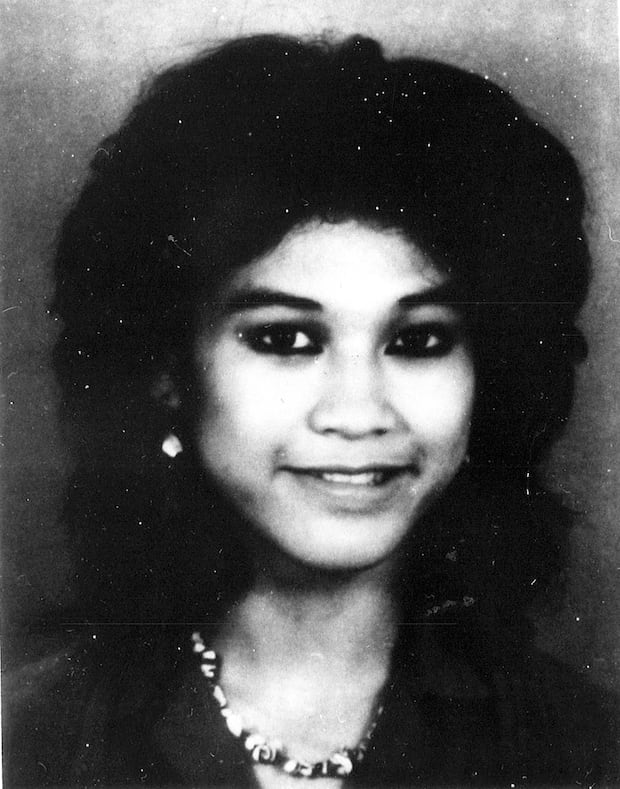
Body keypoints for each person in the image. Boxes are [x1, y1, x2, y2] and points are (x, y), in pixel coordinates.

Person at [4, 33, 618, 787]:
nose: (358, 413)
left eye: (419, 340)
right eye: (285, 338)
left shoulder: (583, 748)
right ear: (167, 372)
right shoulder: (30, 739)